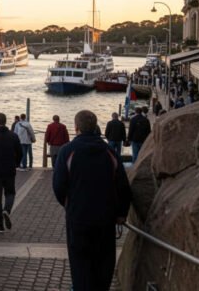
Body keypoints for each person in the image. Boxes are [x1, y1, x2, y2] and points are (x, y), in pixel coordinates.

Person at [53, 110, 132, 291]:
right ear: (96, 126)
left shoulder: (67, 151)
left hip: (78, 217)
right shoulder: (109, 151)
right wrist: (121, 212)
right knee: (104, 264)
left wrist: (69, 204)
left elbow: (58, 185)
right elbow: (122, 185)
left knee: (80, 264)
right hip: (106, 218)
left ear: (76, 127)